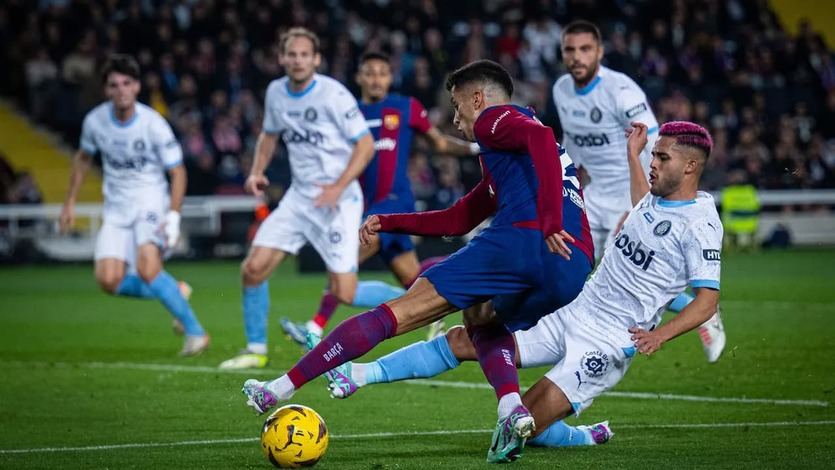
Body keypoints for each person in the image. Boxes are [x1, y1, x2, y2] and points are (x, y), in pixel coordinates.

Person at [241, 59, 594, 463]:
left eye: (458, 107)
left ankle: (278, 388)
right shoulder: (509, 159)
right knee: (482, 319)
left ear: (477, 98)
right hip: (573, 265)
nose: (457, 120)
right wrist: (388, 222)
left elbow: (541, 136)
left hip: (529, 238)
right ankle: (511, 408)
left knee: (399, 311)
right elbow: (459, 217)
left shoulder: (495, 119)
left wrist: (548, 221)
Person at [324, 121, 723, 462]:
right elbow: (642, 211)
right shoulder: (657, 199)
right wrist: (632, 155)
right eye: (653, 155)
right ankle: (359, 373)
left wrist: (659, 335)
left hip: (611, 340)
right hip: (575, 307)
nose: (653, 163)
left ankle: (581, 434)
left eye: (661, 159)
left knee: (522, 428)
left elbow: (708, 300)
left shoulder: (701, 225)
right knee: (467, 338)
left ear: (690, 166)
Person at [552, 20, 725, 362]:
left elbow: (654, 139)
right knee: (583, 269)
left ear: (599, 52)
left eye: (585, 49)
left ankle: (705, 313)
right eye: (570, 50)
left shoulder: (621, 91)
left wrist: (646, 207)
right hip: (593, 194)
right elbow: (573, 141)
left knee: (628, 265)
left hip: (630, 193)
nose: (577, 57)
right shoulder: (561, 90)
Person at [279, 51, 479, 345]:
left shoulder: (405, 107)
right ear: (359, 77)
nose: (376, 79)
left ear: (390, 77)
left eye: (382, 73)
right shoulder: (348, 115)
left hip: (395, 203)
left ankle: (315, 326)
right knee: (413, 281)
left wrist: (476, 149)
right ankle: (468, 265)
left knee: (344, 258)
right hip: (366, 205)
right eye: (369, 73)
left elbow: (438, 143)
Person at [218, 28, 375, 369]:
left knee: (345, 292)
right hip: (299, 199)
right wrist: (256, 171)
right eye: (292, 54)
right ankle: (256, 350)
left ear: (316, 59)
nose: (298, 60)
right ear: (282, 58)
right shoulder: (276, 92)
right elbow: (269, 135)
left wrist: (337, 186)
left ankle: (419, 303)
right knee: (253, 269)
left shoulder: (334, 95)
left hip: (339, 201)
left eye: (305, 54)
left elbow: (365, 146)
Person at [59, 54, 209, 356]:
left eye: (127, 83)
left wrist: (174, 216)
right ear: (106, 90)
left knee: (147, 267)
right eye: (114, 84)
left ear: (137, 87)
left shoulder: (153, 124)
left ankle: (196, 332)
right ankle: (174, 292)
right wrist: (69, 202)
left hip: (149, 201)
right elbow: (83, 158)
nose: (121, 90)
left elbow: (177, 171)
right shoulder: (95, 122)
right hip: (116, 208)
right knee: (108, 280)